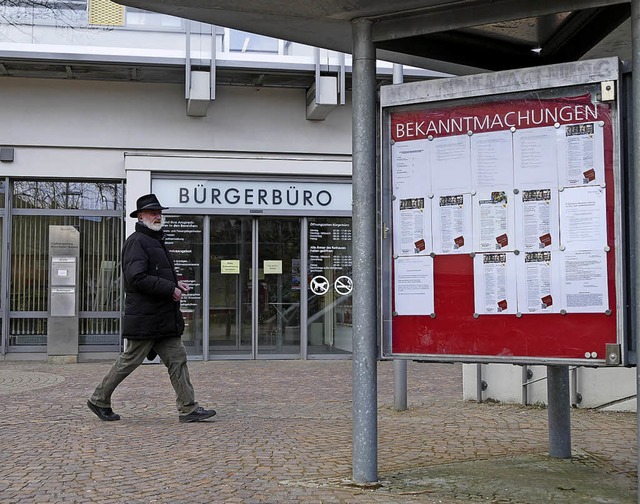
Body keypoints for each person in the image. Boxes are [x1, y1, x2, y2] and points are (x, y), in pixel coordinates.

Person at [87, 193, 216, 423]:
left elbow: (153, 275)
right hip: (146, 318)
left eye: (159, 212)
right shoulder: (137, 241)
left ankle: (188, 408)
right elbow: (136, 278)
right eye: (152, 212)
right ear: (140, 216)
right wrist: (169, 289)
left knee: (177, 358)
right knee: (130, 360)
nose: (158, 216)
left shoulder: (155, 240)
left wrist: (176, 284)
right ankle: (99, 399)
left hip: (162, 318)